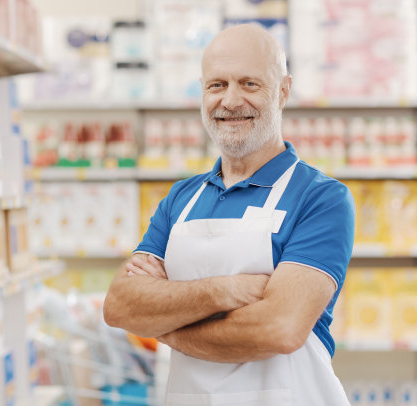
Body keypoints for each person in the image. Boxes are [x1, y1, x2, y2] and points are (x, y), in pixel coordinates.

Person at [104, 23, 355, 406]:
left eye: (250, 84)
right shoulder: (181, 198)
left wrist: (167, 327)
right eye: (216, 85)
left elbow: (279, 329)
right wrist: (226, 290)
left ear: (283, 91)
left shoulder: (321, 198)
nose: (231, 101)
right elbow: (120, 307)